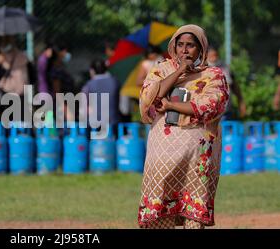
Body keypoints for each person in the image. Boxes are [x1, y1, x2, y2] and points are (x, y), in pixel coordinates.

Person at [138, 24, 230, 229]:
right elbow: (149, 97)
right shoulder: (161, 69)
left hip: (196, 156)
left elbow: (212, 105)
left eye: (190, 45)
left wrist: (171, 105)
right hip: (164, 154)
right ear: (174, 46)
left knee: (193, 216)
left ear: (201, 49)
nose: (184, 50)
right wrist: (179, 70)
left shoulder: (213, 75)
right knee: (160, 212)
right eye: (180, 45)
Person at [0, 36, 30, 121]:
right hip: (6, 94)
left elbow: (31, 75)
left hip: (21, 94)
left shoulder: (22, 56)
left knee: (21, 122)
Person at [207, 46, 246, 119]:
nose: (214, 58)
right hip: (209, 112)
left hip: (226, 110)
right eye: (211, 56)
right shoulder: (203, 69)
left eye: (215, 56)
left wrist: (241, 102)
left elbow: (235, 86)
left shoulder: (225, 68)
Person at [81, 58, 120, 128]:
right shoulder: (115, 82)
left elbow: (84, 108)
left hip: (95, 125)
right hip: (114, 122)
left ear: (92, 71)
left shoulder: (88, 85)